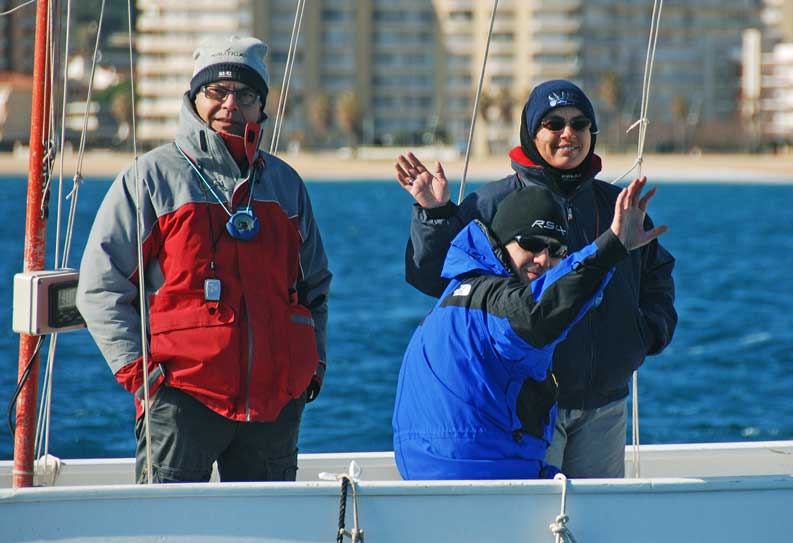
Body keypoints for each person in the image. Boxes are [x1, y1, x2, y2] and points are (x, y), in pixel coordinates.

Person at [76, 35, 330, 484]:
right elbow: (100, 288)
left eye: (245, 94)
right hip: (180, 398)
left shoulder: (286, 185)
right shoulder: (151, 178)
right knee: (168, 533)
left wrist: (312, 368)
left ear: (260, 106)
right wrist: (143, 376)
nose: (230, 104)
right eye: (217, 92)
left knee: (267, 542)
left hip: (274, 405)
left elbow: (315, 289)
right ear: (195, 99)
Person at [395, 79, 676, 478]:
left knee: (595, 530)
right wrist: (435, 214)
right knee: (537, 524)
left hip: (604, 403)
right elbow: (440, 281)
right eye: (554, 123)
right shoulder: (493, 203)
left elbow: (656, 274)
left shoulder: (618, 208)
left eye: (580, 124)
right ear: (531, 131)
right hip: (527, 405)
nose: (568, 134)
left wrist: (645, 334)